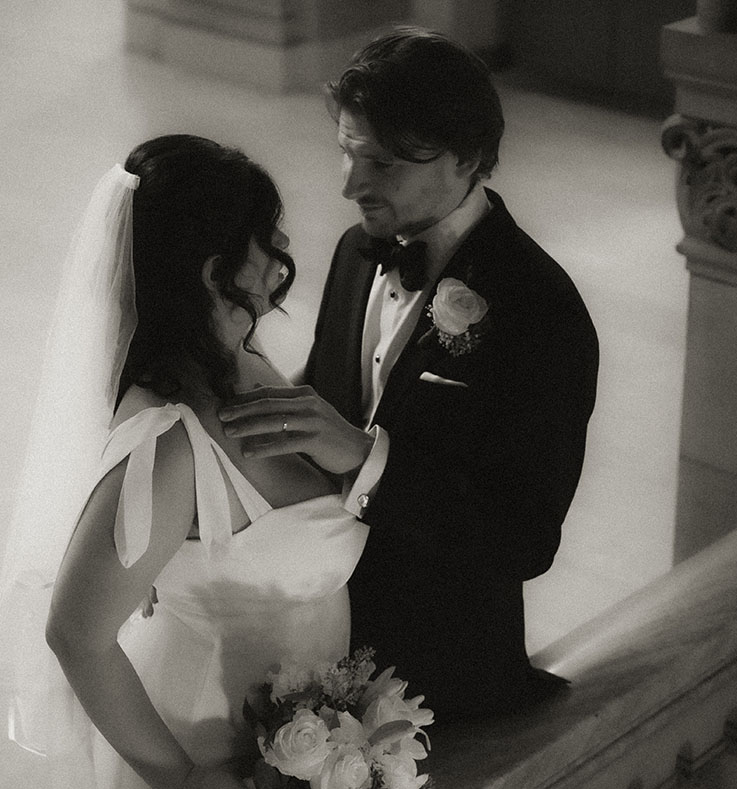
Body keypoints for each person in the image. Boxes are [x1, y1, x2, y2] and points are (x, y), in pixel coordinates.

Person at [0, 135, 369, 789]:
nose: (283, 248)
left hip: (292, 738)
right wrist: (187, 781)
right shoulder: (166, 444)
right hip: (210, 750)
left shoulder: (243, 364)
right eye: (267, 233)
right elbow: (75, 632)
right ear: (210, 268)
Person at [218, 27, 599, 722]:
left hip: (443, 679)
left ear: (471, 158)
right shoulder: (356, 251)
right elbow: (330, 398)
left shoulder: (541, 311)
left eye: (384, 164)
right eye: (346, 151)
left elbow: (524, 538)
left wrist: (368, 462)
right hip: (317, 638)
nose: (348, 185)